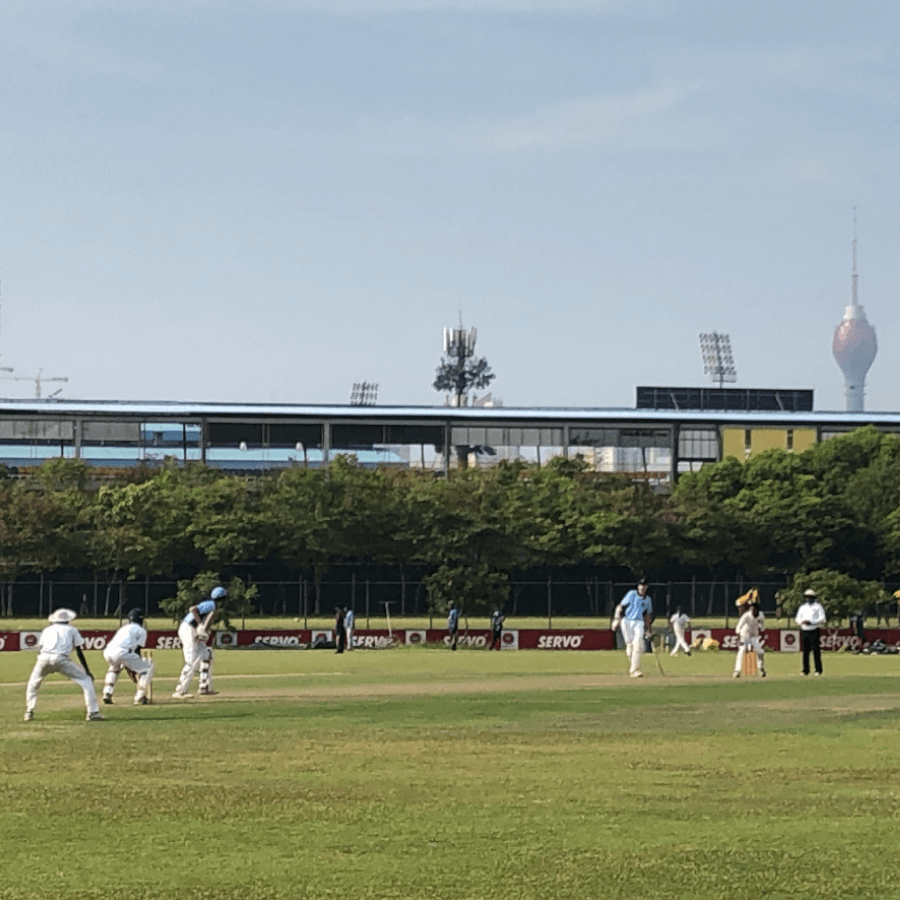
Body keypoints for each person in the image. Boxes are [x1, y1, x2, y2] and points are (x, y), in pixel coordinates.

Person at [25, 608, 104, 721]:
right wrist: (87, 670)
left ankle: (29, 711)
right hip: (61, 658)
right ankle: (93, 712)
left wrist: (41, 661)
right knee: (86, 681)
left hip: (44, 658)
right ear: (68, 620)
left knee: (33, 684)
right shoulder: (72, 630)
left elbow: (39, 648)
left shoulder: (47, 630)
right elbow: (79, 651)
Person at [173, 586, 224, 698]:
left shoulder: (213, 607)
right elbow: (193, 609)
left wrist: (203, 629)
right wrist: (200, 625)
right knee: (191, 661)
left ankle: (204, 687)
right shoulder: (211, 604)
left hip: (191, 629)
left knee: (207, 654)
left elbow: (206, 620)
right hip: (188, 628)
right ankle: (180, 691)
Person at [102, 608, 155, 705]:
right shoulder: (141, 631)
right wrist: (135, 669)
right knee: (148, 668)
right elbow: (137, 651)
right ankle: (140, 696)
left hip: (108, 652)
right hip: (124, 652)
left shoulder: (123, 628)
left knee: (114, 668)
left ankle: (107, 692)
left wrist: (130, 666)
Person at [612, 578, 653, 678]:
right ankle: (633, 667)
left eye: (644, 586)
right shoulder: (631, 594)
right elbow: (620, 606)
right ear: (638, 586)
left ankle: (634, 669)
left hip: (639, 622)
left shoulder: (648, 600)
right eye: (640, 585)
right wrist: (616, 618)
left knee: (638, 644)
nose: (642, 588)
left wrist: (649, 629)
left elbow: (648, 616)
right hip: (626, 621)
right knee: (630, 646)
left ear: (646, 587)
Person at [795, 588, 826, 676]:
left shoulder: (818, 607)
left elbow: (822, 618)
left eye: (810, 597)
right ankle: (805, 670)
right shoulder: (802, 607)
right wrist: (802, 622)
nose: (808, 599)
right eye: (807, 597)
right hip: (804, 630)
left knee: (816, 650)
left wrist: (812, 622)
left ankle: (818, 670)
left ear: (813, 598)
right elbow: (797, 618)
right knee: (805, 651)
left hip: (814, 630)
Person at [733, 601, 766, 678]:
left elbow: (761, 626)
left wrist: (763, 635)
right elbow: (739, 626)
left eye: (754, 608)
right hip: (745, 635)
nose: (752, 610)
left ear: (757, 609)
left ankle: (761, 669)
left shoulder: (761, 615)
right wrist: (739, 638)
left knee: (760, 652)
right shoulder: (746, 616)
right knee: (742, 651)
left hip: (754, 636)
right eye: (751, 608)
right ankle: (737, 671)